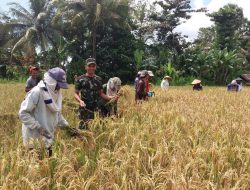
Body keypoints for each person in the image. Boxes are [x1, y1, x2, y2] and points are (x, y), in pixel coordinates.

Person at [19, 67, 69, 157]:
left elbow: (57, 114)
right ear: (52, 81)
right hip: (33, 139)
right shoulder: (37, 92)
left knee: (47, 166)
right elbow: (23, 113)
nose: (59, 88)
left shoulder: (56, 94)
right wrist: (38, 127)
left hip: (48, 137)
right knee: (34, 167)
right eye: (58, 84)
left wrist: (68, 128)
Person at [74, 58, 117, 130]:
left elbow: (101, 94)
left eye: (93, 66)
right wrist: (80, 101)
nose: (91, 68)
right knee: (83, 129)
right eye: (89, 66)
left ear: (95, 67)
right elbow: (76, 93)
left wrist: (111, 98)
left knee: (95, 128)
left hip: (96, 109)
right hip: (84, 109)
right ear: (85, 67)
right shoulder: (80, 79)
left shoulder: (98, 79)